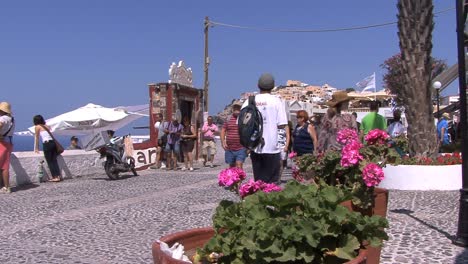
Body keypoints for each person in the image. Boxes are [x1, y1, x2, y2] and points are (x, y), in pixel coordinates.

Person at [242, 73, 288, 183]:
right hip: (272, 147)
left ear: (258, 85)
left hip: (255, 146)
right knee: (272, 181)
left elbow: (241, 122)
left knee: (258, 180)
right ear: (273, 86)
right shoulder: (276, 101)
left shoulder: (250, 100)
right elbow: (282, 124)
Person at [33, 115, 62, 182]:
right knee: (54, 160)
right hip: (53, 143)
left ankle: (55, 177)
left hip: (47, 144)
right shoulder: (47, 126)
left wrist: (36, 148)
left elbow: (37, 138)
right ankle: (58, 176)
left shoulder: (37, 127)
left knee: (50, 161)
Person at [220, 104, 247, 169]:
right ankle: (234, 179)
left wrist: (248, 146)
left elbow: (248, 131)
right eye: (235, 109)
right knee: (231, 166)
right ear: (233, 110)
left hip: (241, 147)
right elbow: (223, 130)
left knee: (239, 164)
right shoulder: (228, 119)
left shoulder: (244, 119)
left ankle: (240, 179)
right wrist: (223, 142)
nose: (237, 111)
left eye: (238, 109)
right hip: (229, 148)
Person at [0, 102, 14, 194]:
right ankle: (6, 186)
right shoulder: (12, 119)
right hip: (9, 143)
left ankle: (5, 187)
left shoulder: (2, 119)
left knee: (3, 166)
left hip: (2, 143)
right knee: (5, 166)